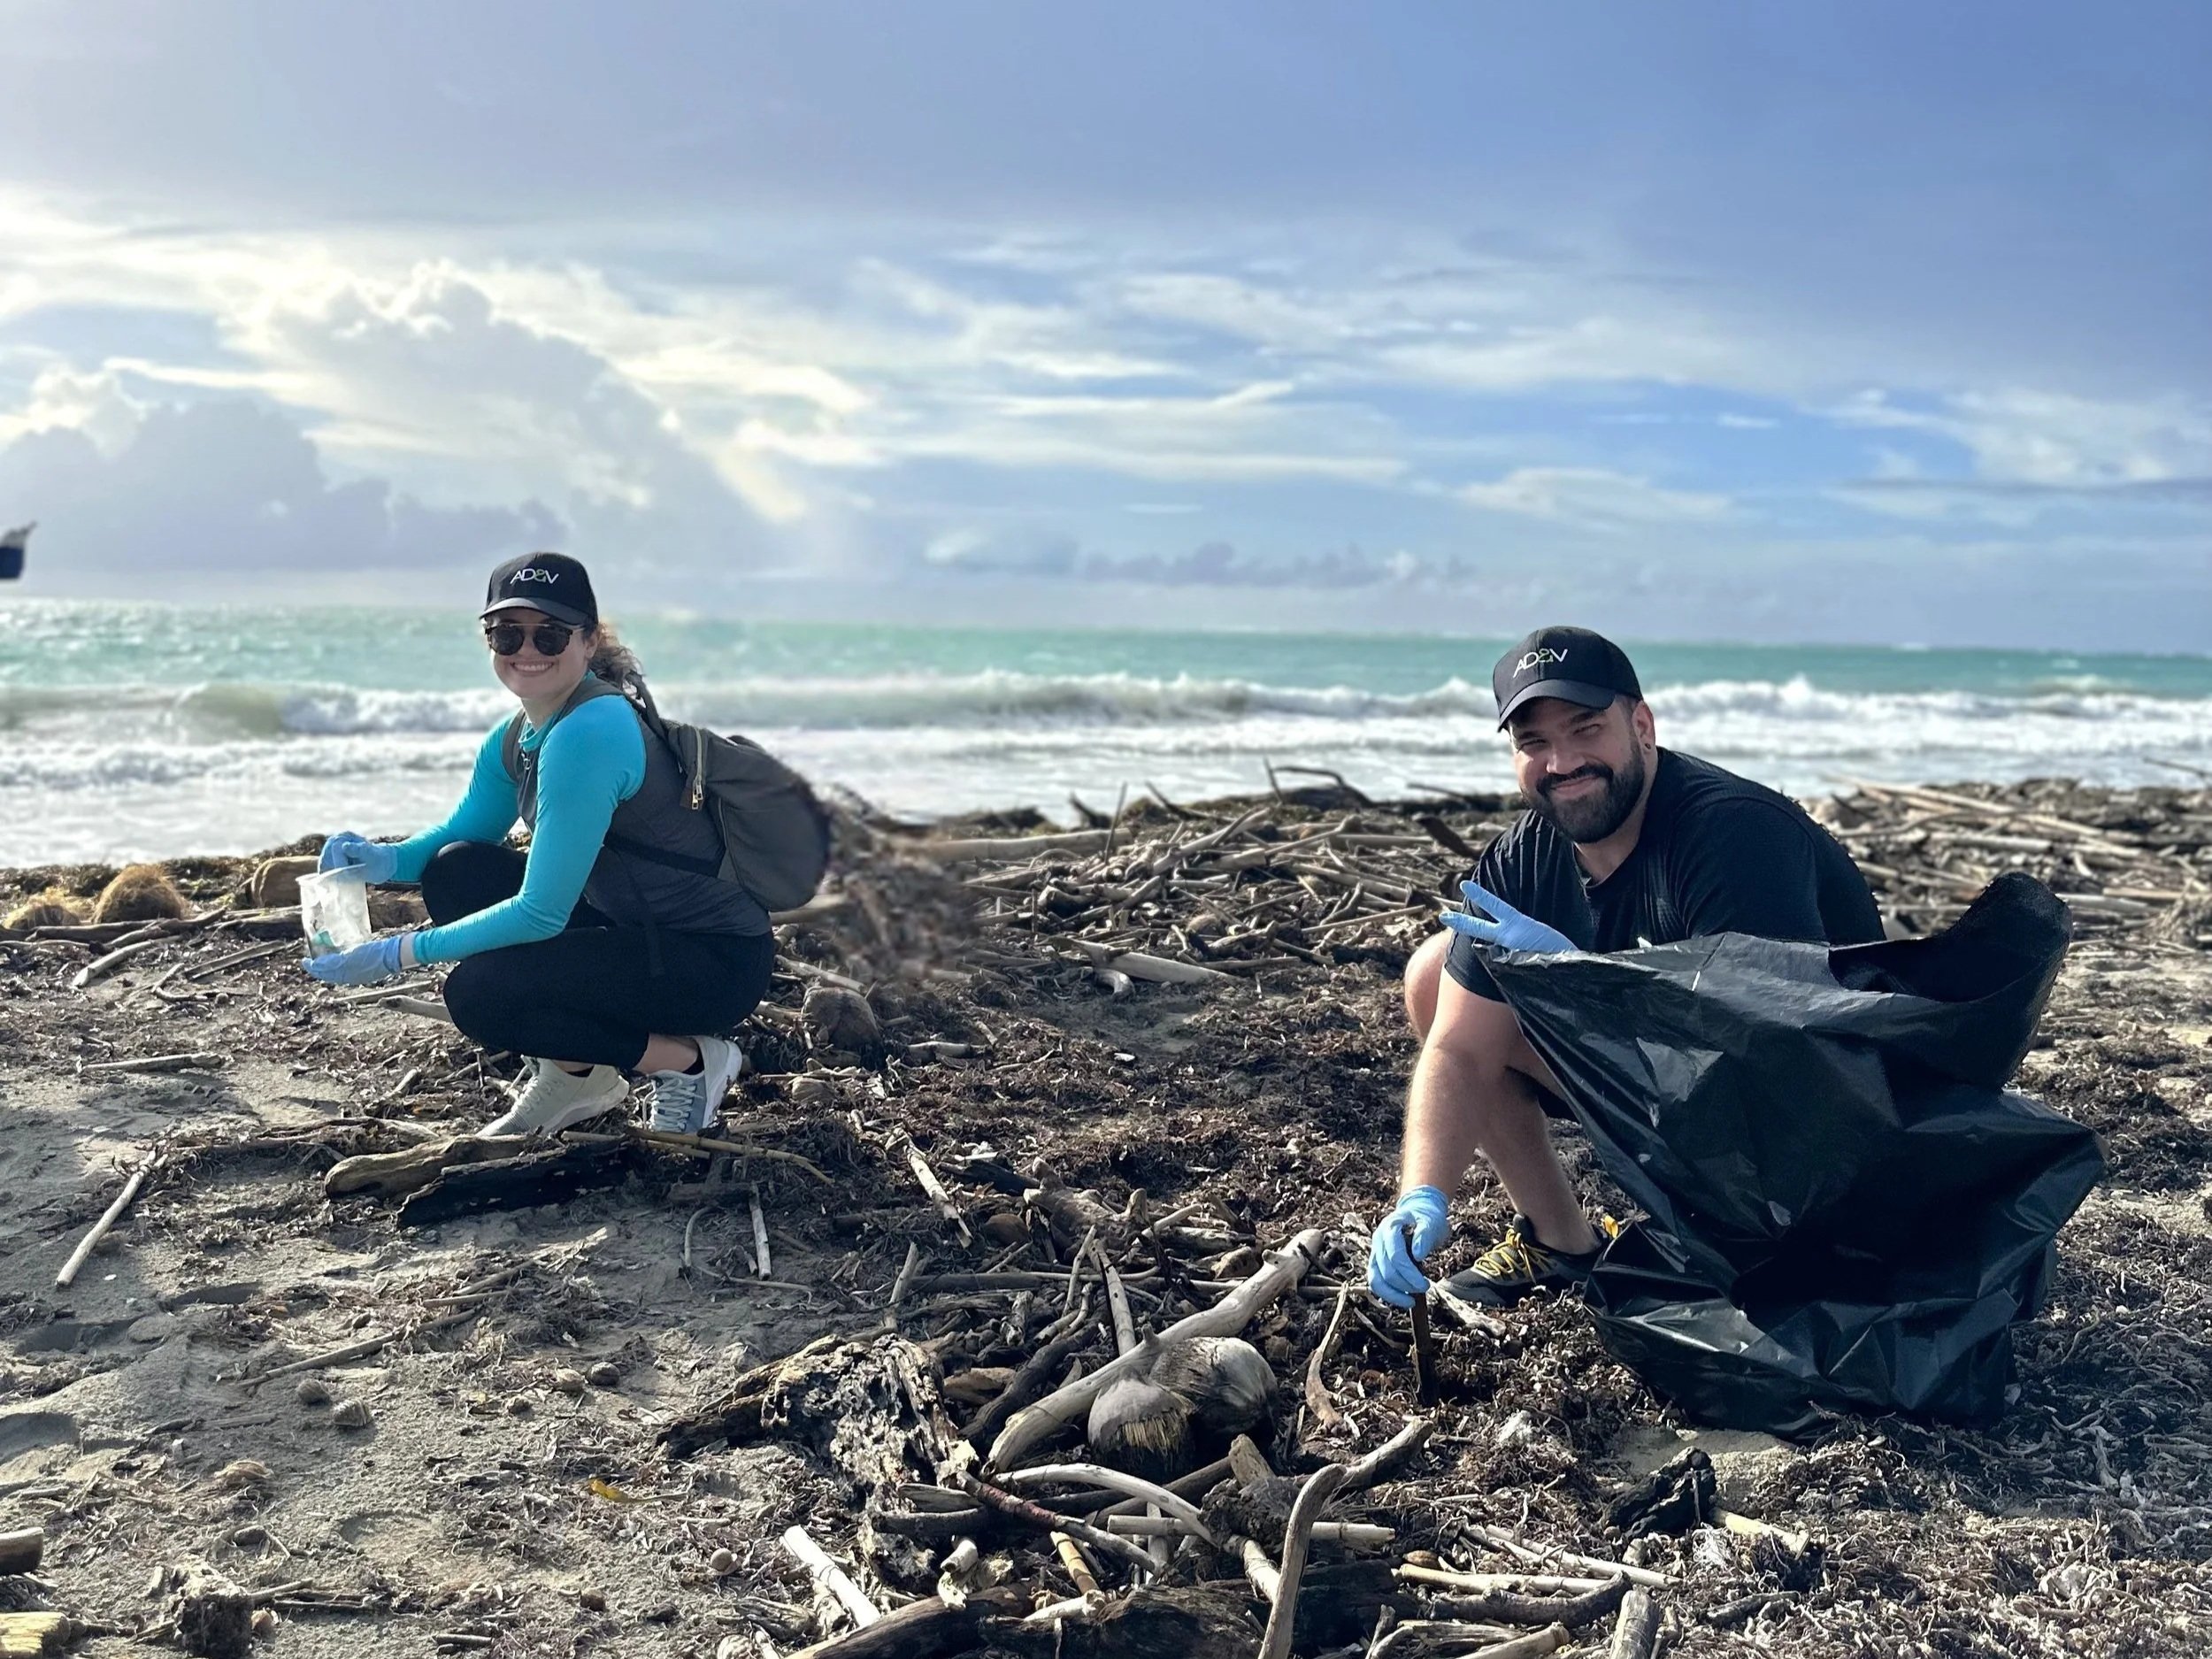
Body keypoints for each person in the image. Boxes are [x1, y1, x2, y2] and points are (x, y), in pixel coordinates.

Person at [1368, 626, 1883, 1310]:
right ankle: (1561, 1243)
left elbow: (1772, 1056)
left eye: (1586, 729)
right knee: (1438, 977)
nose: (1563, 761)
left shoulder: (1734, 837)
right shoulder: (1522, 857)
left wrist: (1589, 988)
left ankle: (1736, 1250)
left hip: (1830, 1117)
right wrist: (1421, 1195)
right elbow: (1459, 1050)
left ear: (1642, 725)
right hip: (1661, 1082)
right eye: (1534, 743)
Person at [303, 552, 776, 1138]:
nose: (527, 650)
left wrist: (396, 954)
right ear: (489, 639)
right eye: (508, 633)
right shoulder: (519, 735)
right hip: (631, 926)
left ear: (587, 641)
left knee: (481, 996)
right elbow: (462, 835)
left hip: (713, 962)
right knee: (457, 871)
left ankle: (694, 1063)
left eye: (549, 634)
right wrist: (381, 860)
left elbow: (542, 911)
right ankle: (578, 1073)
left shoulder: (590, 731)